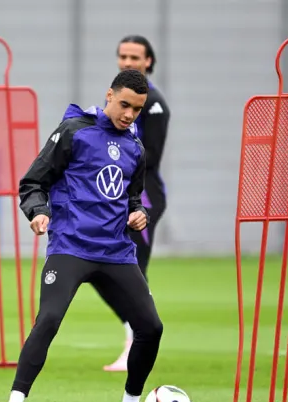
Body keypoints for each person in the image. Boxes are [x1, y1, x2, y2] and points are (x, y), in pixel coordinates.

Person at [0, 69, 164, 402]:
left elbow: (133, 199)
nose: (130, 114)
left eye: (137, 109)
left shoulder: (135, 148)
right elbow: (33, 181)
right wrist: (38, 212)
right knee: (49, 318)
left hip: (116, 252)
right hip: (71, 246)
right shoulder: (74, 131)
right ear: (109, 96)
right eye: (125, 105)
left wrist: (138, 214)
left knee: (151, 326)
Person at [102, 35, 171, 372]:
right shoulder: (118, 101)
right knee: (100, 272)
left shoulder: (154, 104)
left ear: (148, 62)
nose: (128, 62)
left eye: (135, 56)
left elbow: (151, 159)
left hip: (144, 196)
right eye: (123, 56)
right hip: (119, 196)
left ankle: (137, 343)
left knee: (133, 272)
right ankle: (136, 332)